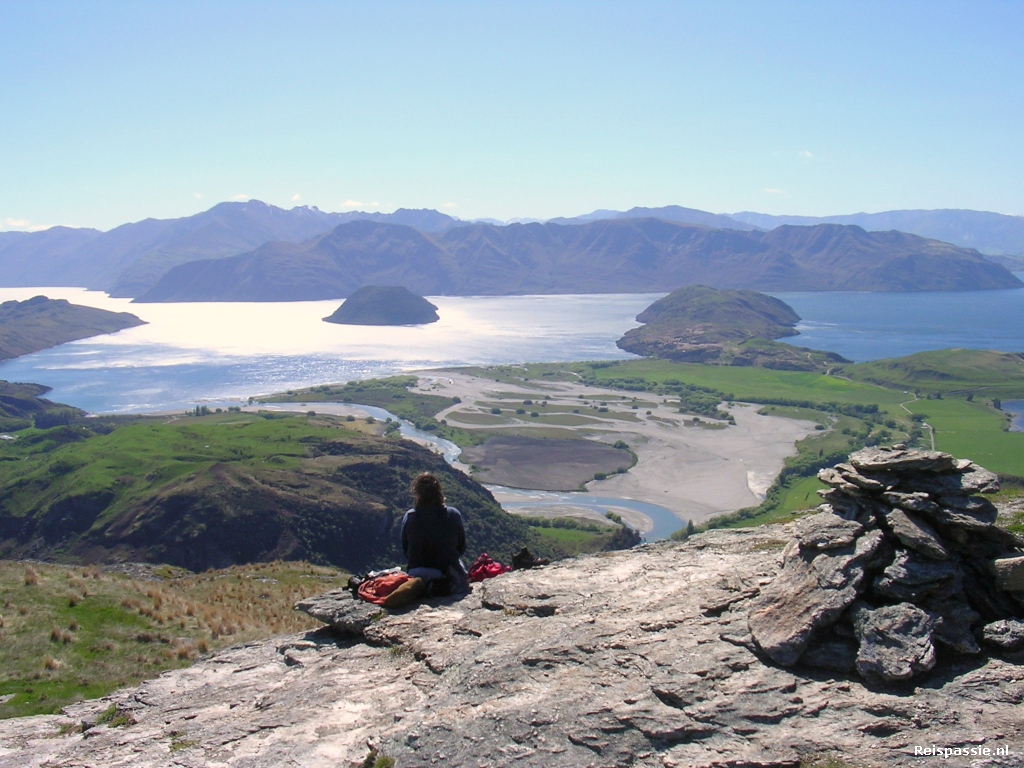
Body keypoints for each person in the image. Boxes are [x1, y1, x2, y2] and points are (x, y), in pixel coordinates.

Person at [400, 473, 470, 594]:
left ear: (417, 494)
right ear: (439, 492)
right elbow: (461, 547)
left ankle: (424, 587)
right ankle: (440, 586)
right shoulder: (453, 514)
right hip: (445, 573)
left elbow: (406, 550)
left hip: (416, 574)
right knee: (460, 567)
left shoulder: (410, 516)